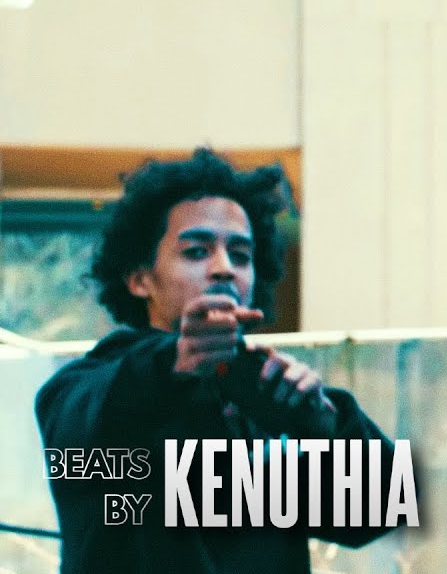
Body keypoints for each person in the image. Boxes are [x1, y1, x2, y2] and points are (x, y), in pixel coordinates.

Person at [34, 148, 405, 574]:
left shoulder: (266, 397)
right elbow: (82, 424)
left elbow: (379, 511)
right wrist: (176, 361)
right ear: (140, 280)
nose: (225, 268)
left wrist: (326, 427)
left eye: (241, 256)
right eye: (196, 252)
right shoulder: (93, 387)